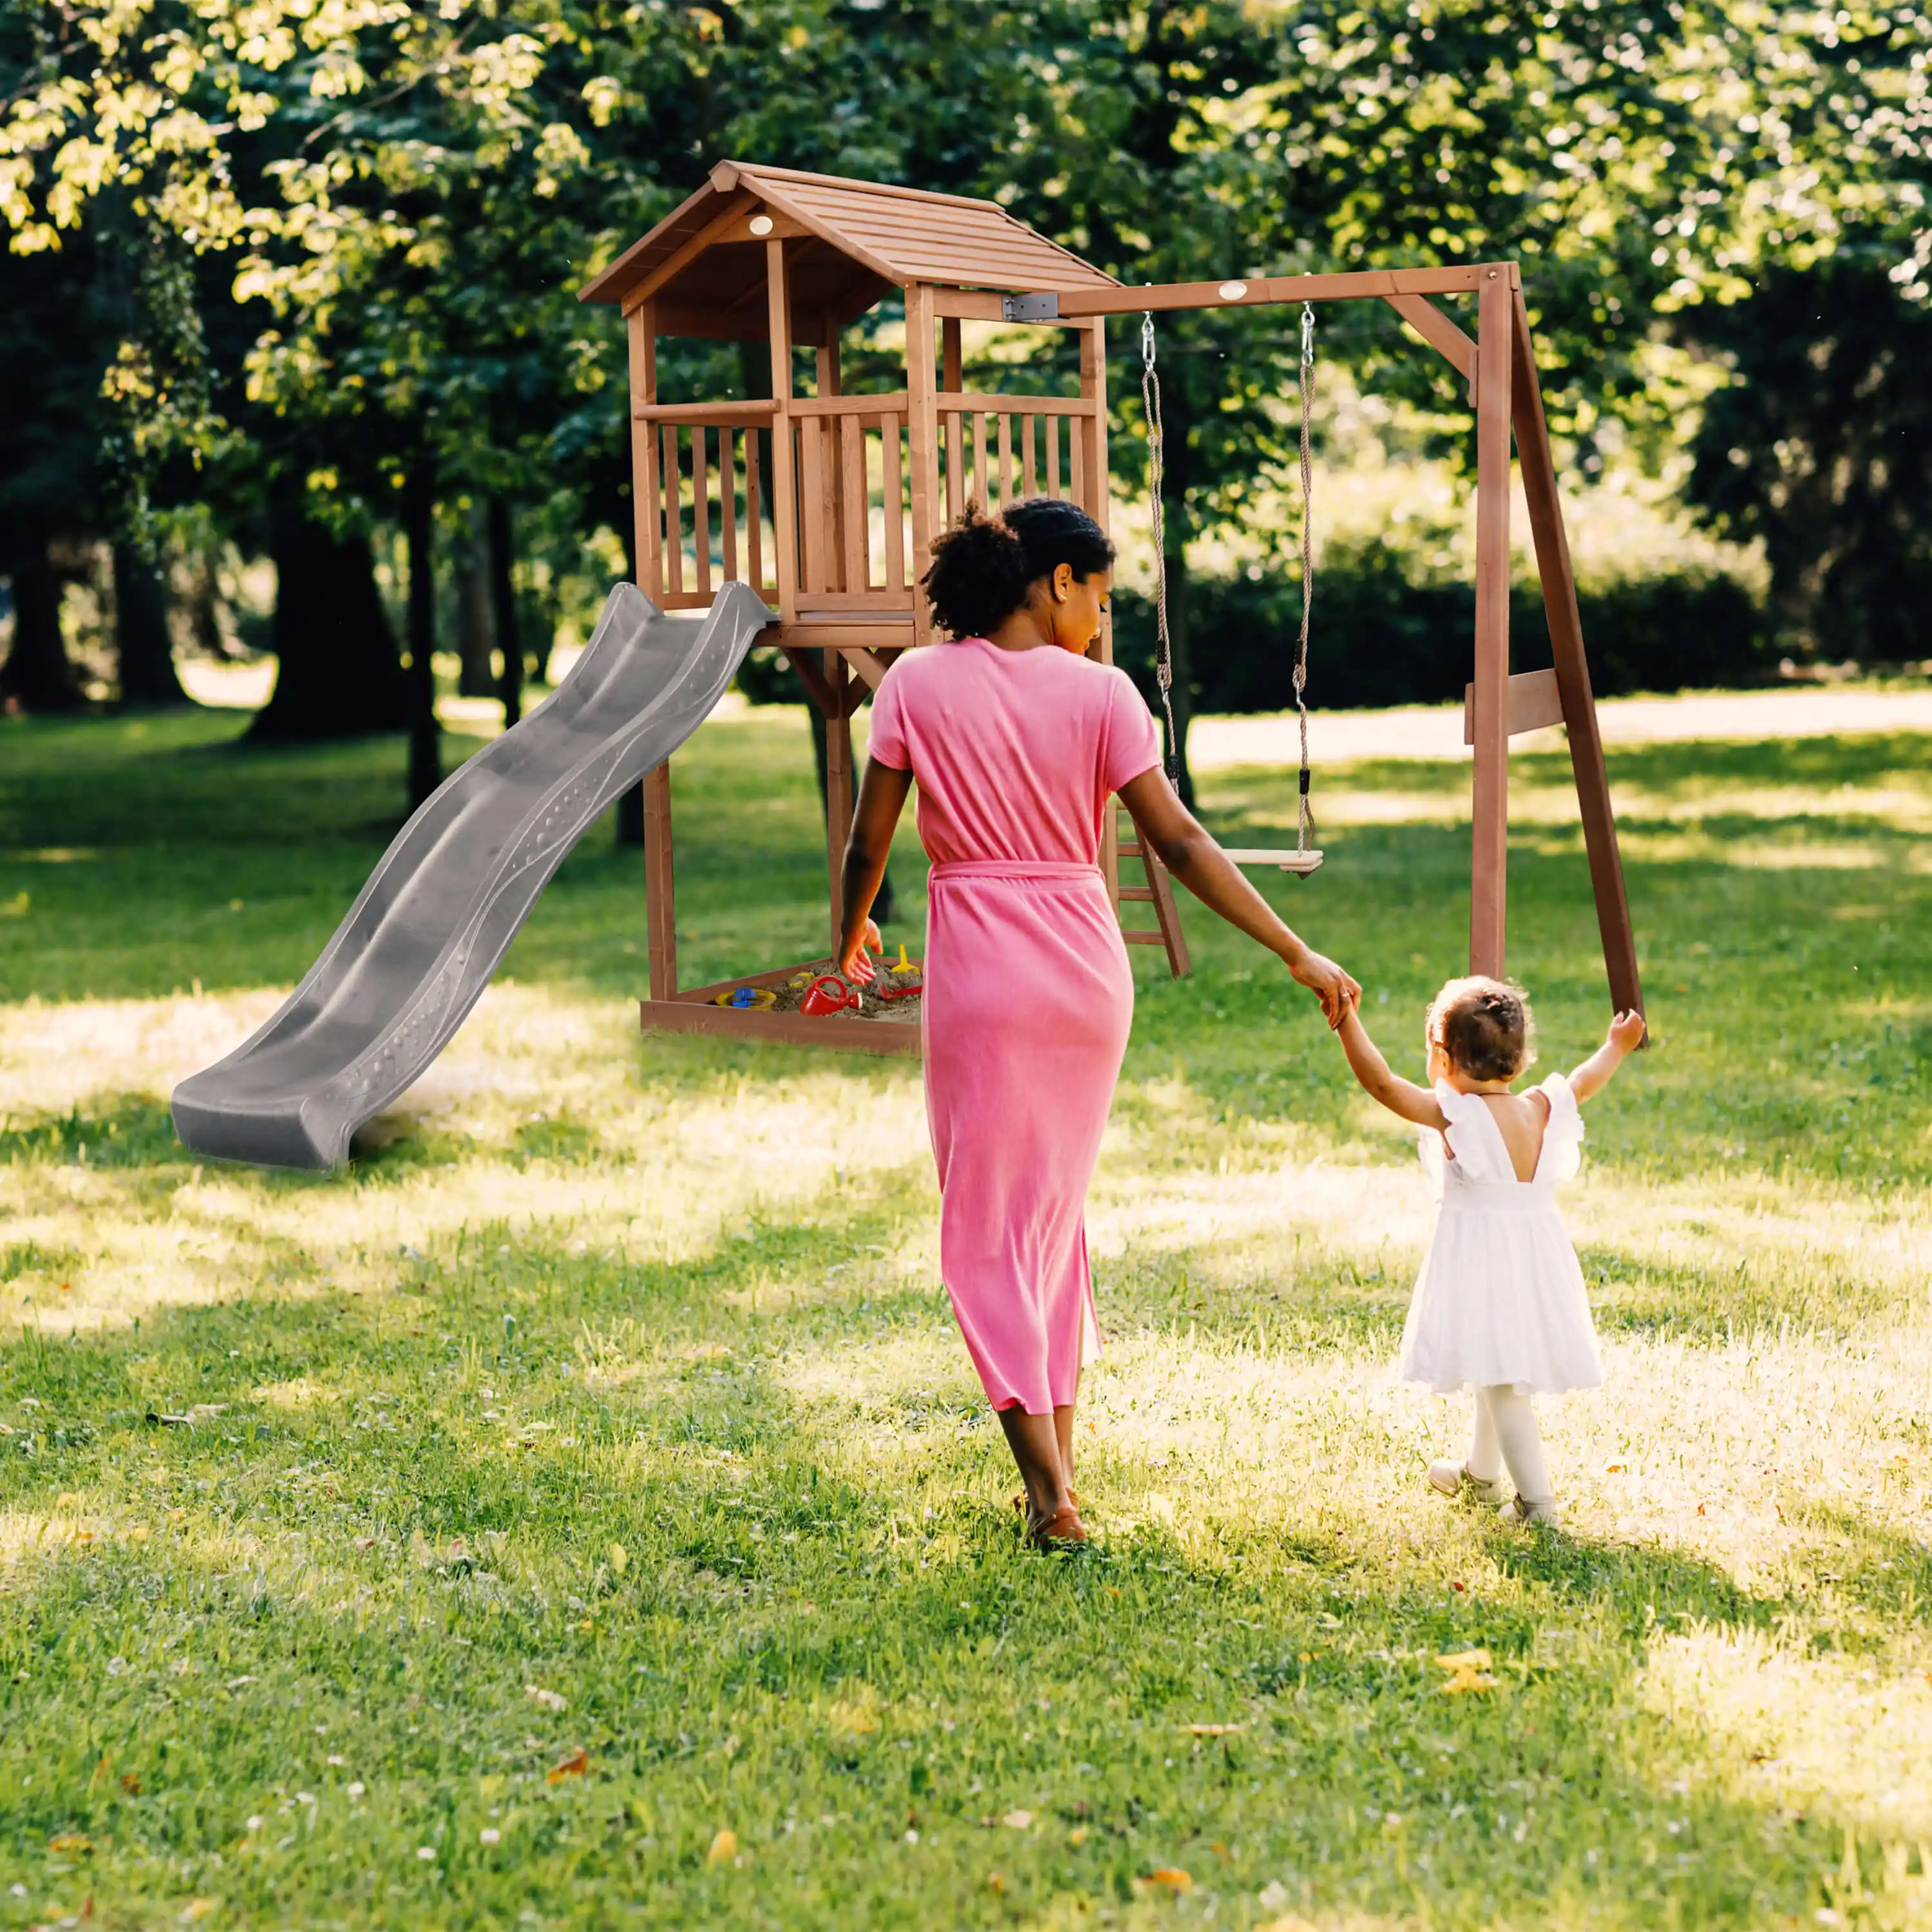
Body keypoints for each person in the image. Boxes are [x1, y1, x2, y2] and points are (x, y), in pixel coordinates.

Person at [835, 499, 1358, 1548]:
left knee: (986, 1231)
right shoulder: (1105, 696)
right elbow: (1179, 844)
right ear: (1055, 581)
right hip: (1084, 973)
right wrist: (1293, 948)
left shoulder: (914, 684)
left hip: (982, 972)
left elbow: (867, 844)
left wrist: (845, 942)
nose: (1103, 621)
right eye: (1101, 597)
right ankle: (1058, 1477)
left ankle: (1049, 1495)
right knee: (1048, 1224)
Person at [1332, 974, 1647, 1526]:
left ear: (1443, 1057)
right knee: (1491, 1362)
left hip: (1485, 1263)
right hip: (1534, 1260)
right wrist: (1615, 1047)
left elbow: (1382, 1084)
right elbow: (1584, 1080)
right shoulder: (1541, 1106)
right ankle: (1481, 1475)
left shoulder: (1456, 1115)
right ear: (1520, 1061)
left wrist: (1346, 1020)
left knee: (1503, 1384)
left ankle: (1537, 1505)